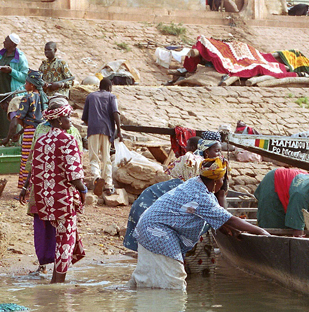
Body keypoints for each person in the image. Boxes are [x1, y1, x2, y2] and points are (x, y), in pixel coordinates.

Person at [128, 157, 270, 291]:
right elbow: (230, 219)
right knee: (174, 283)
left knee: (146, 277)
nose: (223, 183)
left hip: (147, 226)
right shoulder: (201, 196)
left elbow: (218, 219)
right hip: (157, 232)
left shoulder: (196, 183)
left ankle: (139, 304)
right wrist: (261, 232)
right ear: (216, 181)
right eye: (223, 180)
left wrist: (230, 231)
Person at [125, 131, 226, 275]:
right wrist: (224, 221)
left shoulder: (218, 165)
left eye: (220, 151)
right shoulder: (194, 162)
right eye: (216, 150)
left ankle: (175, 277)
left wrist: (222, 219)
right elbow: (199, 197)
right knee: (180, 246)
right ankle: (183, 278)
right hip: (160, 208)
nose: (219, 154)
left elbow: (218, 194)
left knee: (179, 247)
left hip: (174, 208)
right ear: (206, 149)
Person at [20, 96, 83, 274]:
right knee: (57, 232)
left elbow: (34, 160)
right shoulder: (65, 135)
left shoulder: (46, 136)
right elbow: (74, 169)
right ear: (59, 118)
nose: (70, 120)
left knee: (58, 230)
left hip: (44, 191)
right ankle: (55, 272)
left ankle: (55, 273)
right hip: (61, 192)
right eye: (67, 116)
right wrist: (82, 190)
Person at [81, 77, 122, 196]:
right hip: (107, 130)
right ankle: (108, 185)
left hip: (93, 129)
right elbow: (115, 113)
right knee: (106, 158)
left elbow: (85, 118)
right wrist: (119, 130)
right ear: (109, 87)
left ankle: (96, 177)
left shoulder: (90, 96)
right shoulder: (111, 96)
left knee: (94, 156)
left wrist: (93, 125)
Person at [0, 33, 29, 140]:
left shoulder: (20, 58)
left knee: (9, 113)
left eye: (6, 41)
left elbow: (24, 77)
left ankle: (8, 137)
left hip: (10, 89)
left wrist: (11, 71)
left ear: (13, 44)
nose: (4, 42)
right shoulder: (1, 54)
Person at [12, 70, 45, 189]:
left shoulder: (28, 97)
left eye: (26, 83)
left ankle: (26, 188)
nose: (25, 85)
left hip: (30, 132)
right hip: (42, 132)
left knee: (27, 159)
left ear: (32, 85)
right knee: (38, 159)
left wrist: (25, 127)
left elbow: (19, 117)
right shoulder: (43, 96)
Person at [255, 167, 309, 237]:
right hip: (274, 182)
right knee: (272, 226)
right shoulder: (300, 194)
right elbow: (297, 227)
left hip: (293, 181)